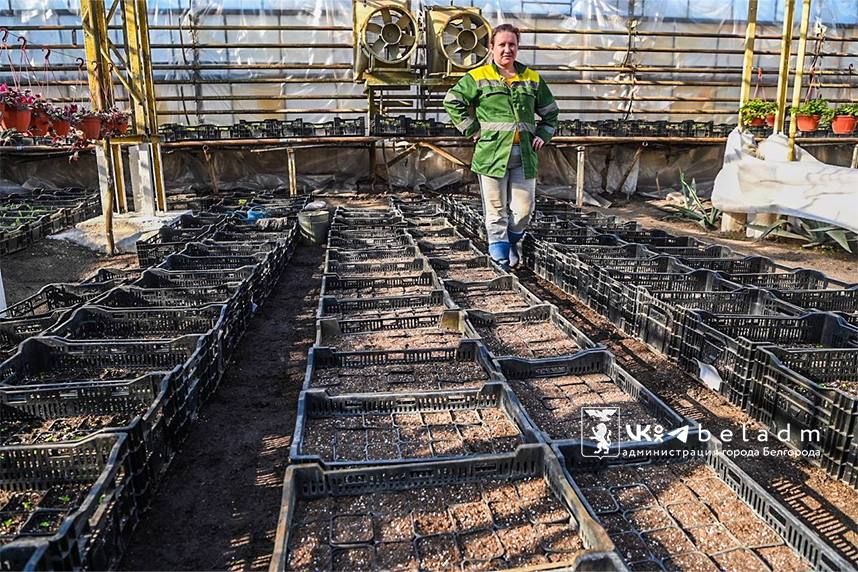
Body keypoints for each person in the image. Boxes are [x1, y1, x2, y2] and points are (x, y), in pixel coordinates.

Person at [443, 23, 559, 269]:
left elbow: (551, 113)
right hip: (491, 156)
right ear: (491, 48)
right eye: (502, 45)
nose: (507, 49)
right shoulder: (478, 77)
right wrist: (472, 129)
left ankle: (512, 242)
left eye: (512, 44)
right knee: (496, 212)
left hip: (525, 157)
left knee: (523, 211)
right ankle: (499, 259)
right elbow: (453, 101)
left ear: (518, 47)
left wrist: (544, 134)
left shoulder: (532, 79)